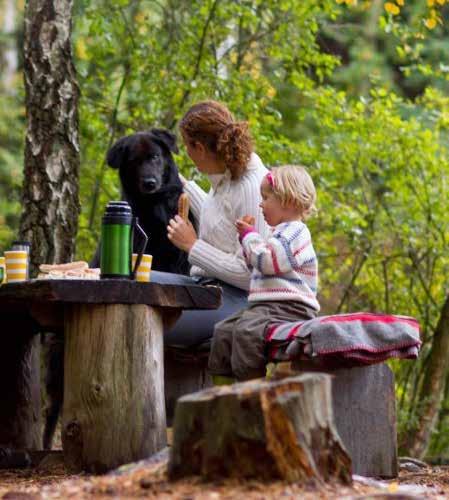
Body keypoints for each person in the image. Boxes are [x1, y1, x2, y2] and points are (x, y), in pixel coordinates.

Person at [155, 100, 270, 348]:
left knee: (148, 324)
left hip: (241, 301)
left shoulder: (252, 187)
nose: (187, 152)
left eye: (187, 146)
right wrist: (182, 185)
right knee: (133, 282)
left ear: (199, 147)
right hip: (207, 287)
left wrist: (192, 245)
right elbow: (223, 220)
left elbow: (252, 276)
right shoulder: (226, 174)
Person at [208, 165, 320, 381]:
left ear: (288, 201)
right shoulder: (276, 234)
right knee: (223, 332)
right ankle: (222, 391)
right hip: (265, 307)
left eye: (266, 198)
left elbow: (269, 262)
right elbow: (259, 266)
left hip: (290, 307)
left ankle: (250, 389)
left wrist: (250, 237)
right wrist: (246, 241)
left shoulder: (296, 232)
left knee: (246, 333)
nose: (260, 204)